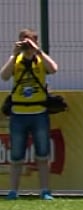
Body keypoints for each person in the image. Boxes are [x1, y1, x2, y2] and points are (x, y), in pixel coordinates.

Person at [0, 28, 58, 200]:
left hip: (38, 113)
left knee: (42, 154)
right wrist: (13, 54)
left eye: (29, 42)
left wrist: (38, 50)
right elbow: (4, 76)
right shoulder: (16, 61)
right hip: (19, 114)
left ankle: (45, 190)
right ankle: (13, 191)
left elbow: (53, 69)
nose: (27, 46)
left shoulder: (40, 60)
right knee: (16, 155)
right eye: (23, 41)